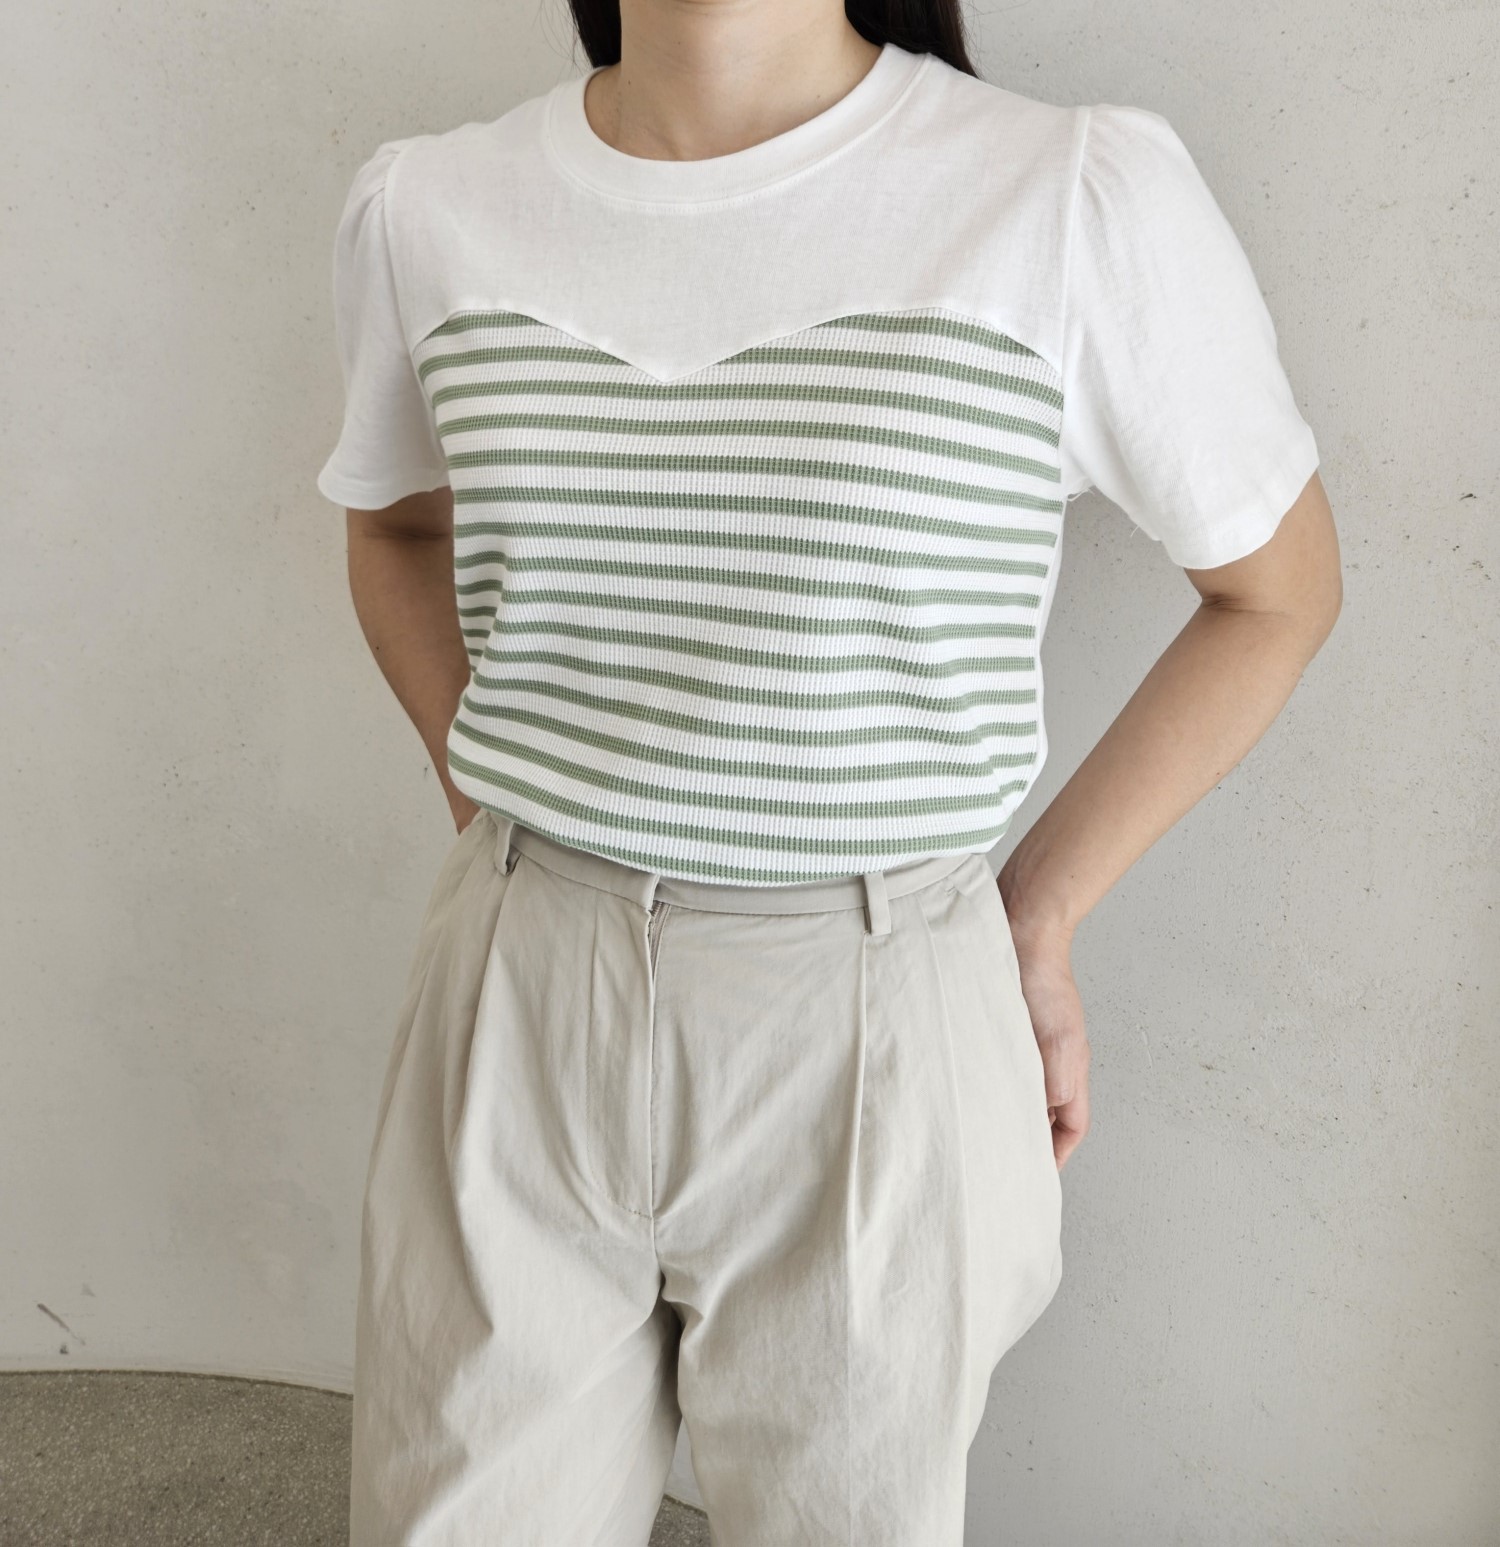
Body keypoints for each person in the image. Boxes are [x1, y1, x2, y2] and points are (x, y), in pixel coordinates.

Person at [314, 1, 1342, 1541]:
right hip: (517, 993)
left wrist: (1035, 918)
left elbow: (1277, 593)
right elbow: (395, 528)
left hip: (877, 1009)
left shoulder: (1067, 197)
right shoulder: (428, 207)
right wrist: (509, 833)